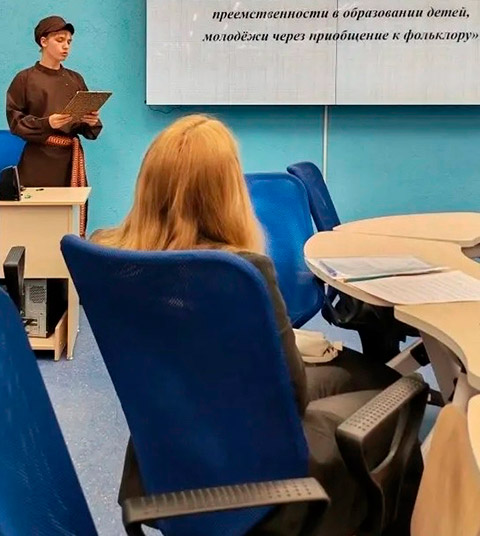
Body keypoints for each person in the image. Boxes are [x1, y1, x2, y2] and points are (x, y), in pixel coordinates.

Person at [92, 114, 420, 536]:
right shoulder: (240, 272)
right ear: (226, 194)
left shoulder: (112, 255)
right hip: (268, 469)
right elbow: (292, 396)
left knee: (373, 376)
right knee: (402, 400)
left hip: (168, 442)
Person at [6, 16, 102, 234]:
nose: (66, 46)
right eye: (60, 40)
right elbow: (15, 121)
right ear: (43, 41)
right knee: (36, 222)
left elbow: (86, 125)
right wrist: (46, 123)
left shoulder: (75, 79)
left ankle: (68, 255)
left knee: (67, 222)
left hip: (70, 162)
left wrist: (90, 121)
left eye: (69, 41)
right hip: (38, 162)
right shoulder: (24, 79)